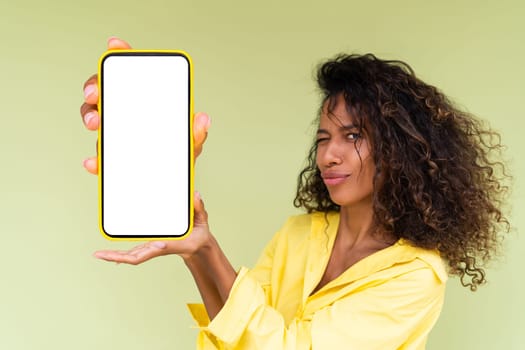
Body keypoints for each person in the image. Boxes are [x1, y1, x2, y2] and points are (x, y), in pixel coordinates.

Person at [81, 37, 510, 349]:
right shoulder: (301, 233)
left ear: (401, 150)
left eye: (353, 135)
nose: (328, 156)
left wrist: (211, 254)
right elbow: (236, 334)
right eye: (323, 139)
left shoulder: (416, 274)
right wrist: (198, 249)